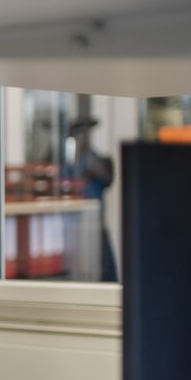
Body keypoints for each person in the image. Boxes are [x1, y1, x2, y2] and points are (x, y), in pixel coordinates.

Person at [66, 115, 118, 282]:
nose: (83, 136)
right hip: (72, 228)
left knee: (105, 274)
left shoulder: (98, 161)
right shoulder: (69, 164)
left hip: (96, 226)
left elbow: (107, 177)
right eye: (78, 132)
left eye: (85, 131)